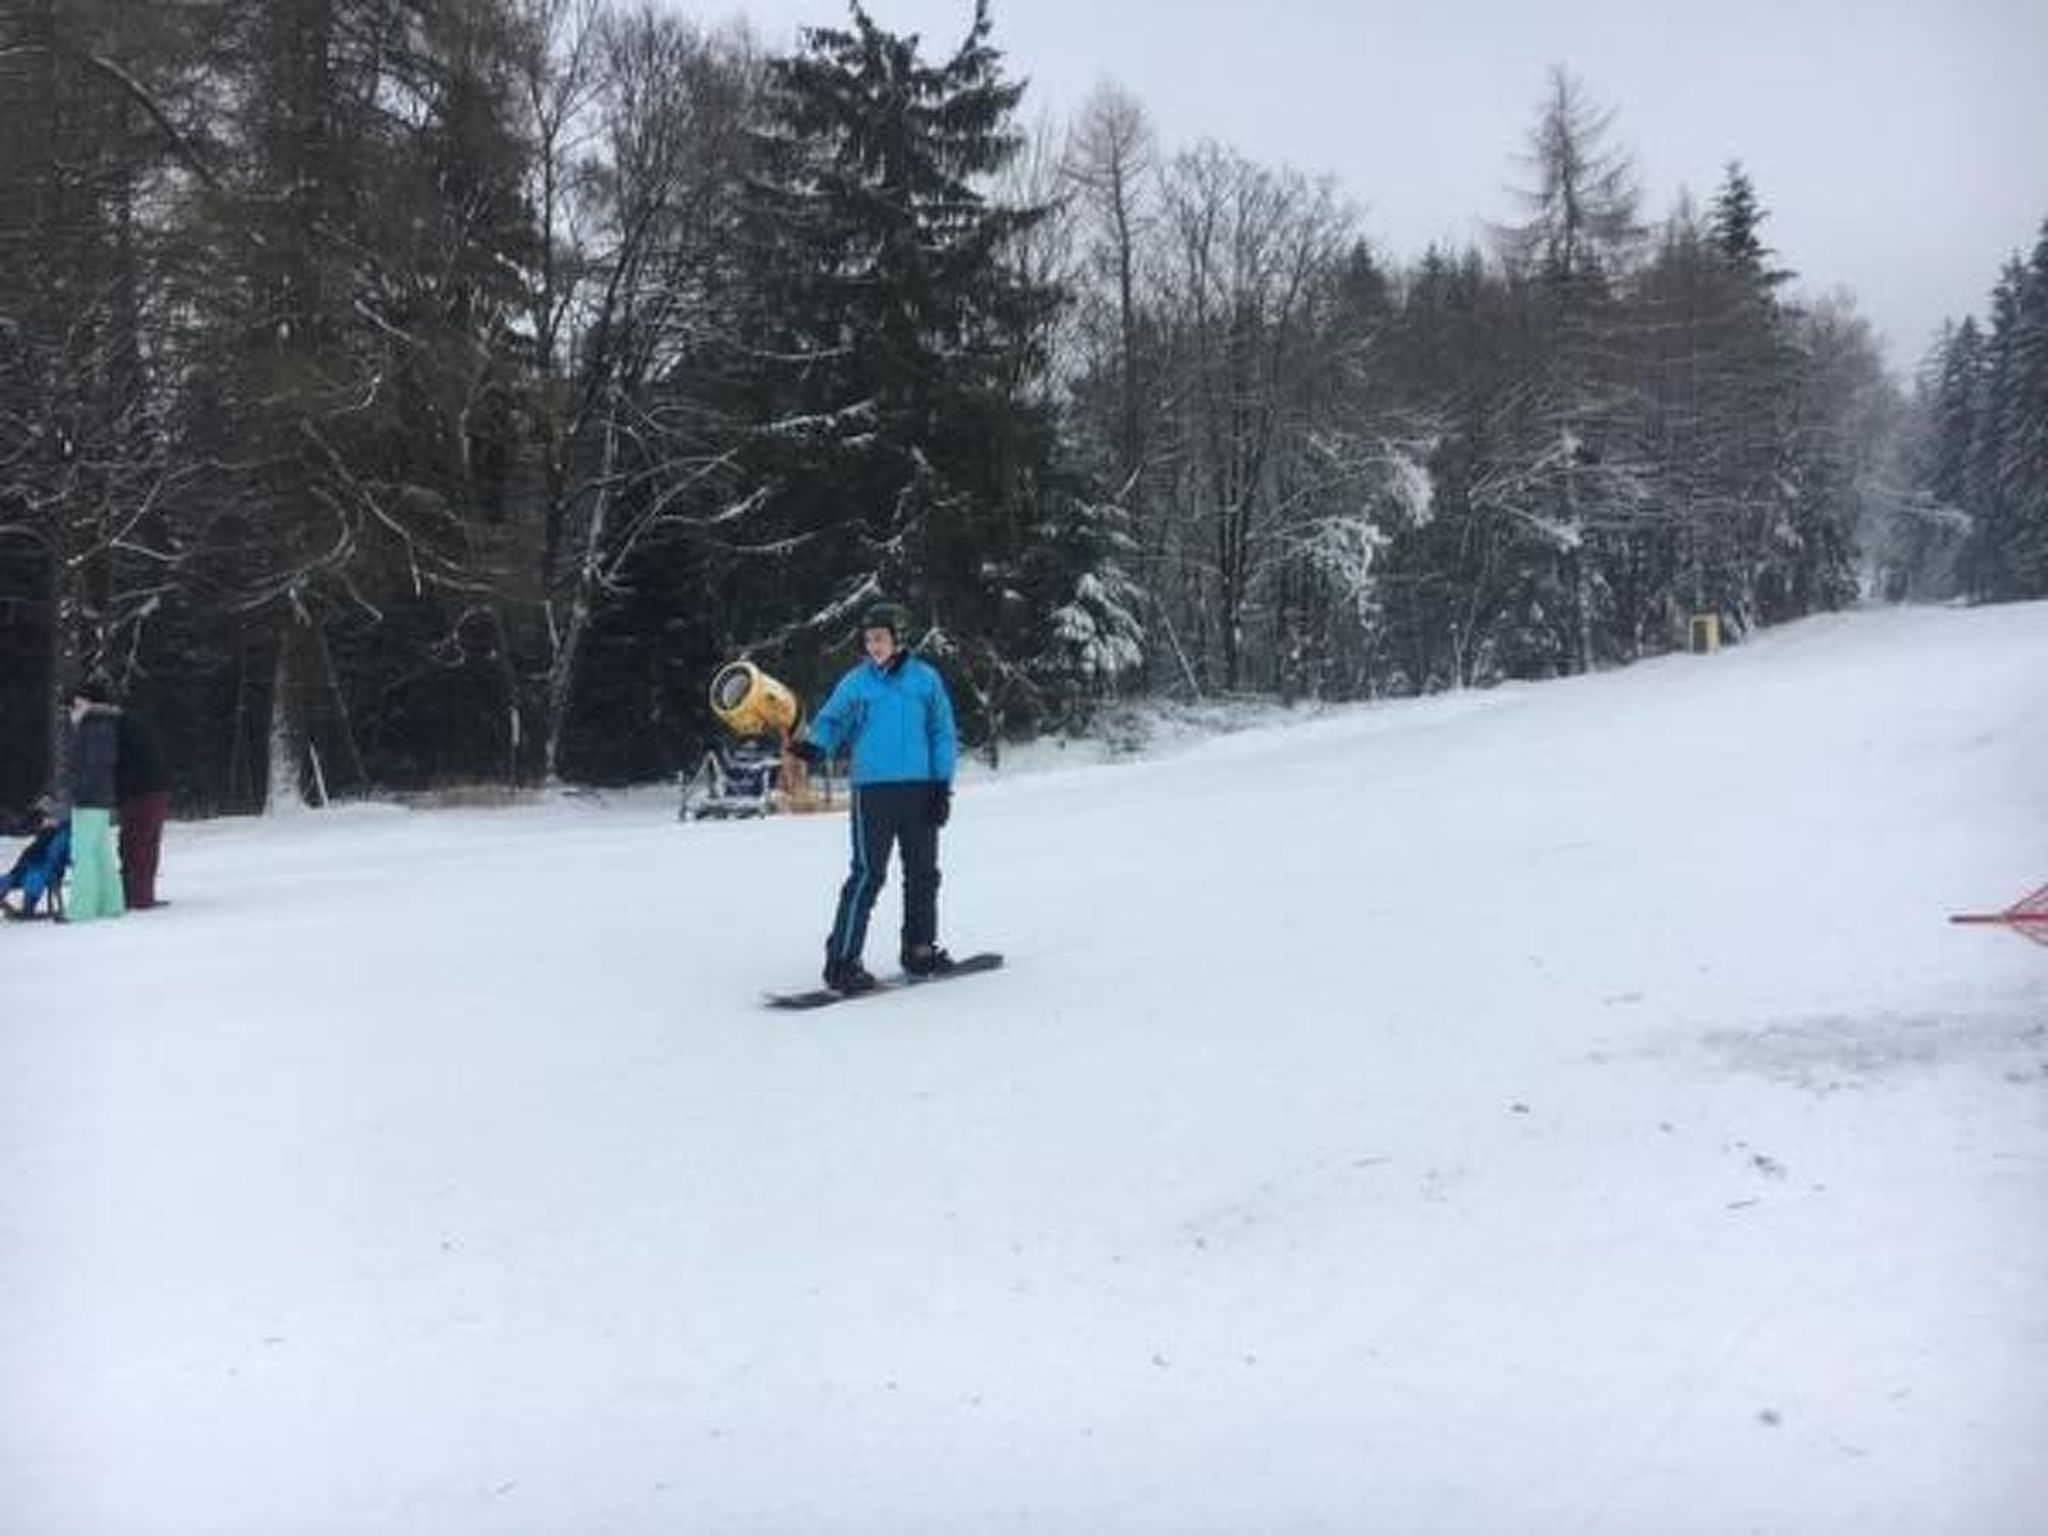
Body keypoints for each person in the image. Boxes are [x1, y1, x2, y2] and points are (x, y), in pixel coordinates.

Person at [791, 602, 958, 994]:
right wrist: (816, 747)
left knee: (923, 874)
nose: (873, 646)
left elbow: (942, 732)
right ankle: (843, 962)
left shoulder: (926, 680)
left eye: (880, 638)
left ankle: (919, 949)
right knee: (868, 875)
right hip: (874, 792)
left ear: (899, 638)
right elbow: (832, 721)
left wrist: (941, 785)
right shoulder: (856, 683)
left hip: (920, 791)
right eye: (868, 639)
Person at [63, 675, 125, 923]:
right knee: (100, 852)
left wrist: (78, 790)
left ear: (87, 702)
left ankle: (81, 909)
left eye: (76, 702)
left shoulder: (93, 727)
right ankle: (110, 903)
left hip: (89, 798)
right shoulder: (100, 725)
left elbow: (95, 765)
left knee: (84, 854)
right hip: (99, 797)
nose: (71, 708)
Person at [116, 696, 170, 909]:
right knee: (147, 843)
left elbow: (123, 765)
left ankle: (138, 895)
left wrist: (121, 795)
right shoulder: (137, 723)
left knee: (138, 843)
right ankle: (141, 893)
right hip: (155, 788)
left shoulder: (120, 728)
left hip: (141, 791)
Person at [0, 796, 70, 919]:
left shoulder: (63, 833)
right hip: (26, 865)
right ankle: (13, 907)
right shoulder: (44, 831)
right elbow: (31, 848)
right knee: (8, 879)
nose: (47, 820)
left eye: (50, 816)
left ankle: (28, 908)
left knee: (34, 876)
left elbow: (58, 856)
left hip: (44, 867)